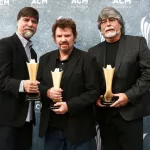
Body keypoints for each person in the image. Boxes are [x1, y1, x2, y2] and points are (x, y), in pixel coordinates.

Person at [88, 7, 150, 150]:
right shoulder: (93, 52)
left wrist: (128, 96)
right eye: (103, 22)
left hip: (130, 115)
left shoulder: (137, 43)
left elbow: (148, 74)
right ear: (100, 28)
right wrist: (96, 98)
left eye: (112, 20)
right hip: (105, 118)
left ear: (120, 24)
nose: (108, 24)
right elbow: (91, 82)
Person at [37, 18, 100, 150]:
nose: (63, 39)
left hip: (80, 130)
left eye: (67, 35)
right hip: (52, 130)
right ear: (54, 39)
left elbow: (93, 91)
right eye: (59, 36)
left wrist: (69, 106)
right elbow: (37, 86)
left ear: (75, 37)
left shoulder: (87, 59)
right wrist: (47, 92)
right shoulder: (44, 59)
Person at [0, 7, 40, 150]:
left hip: (27, 120)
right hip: (7, 121)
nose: (30, 24)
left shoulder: (33, 53)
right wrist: (23, 85)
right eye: (26, 20)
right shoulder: (5, 44)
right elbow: (1, 79)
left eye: (34, 21)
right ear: (18, 22)